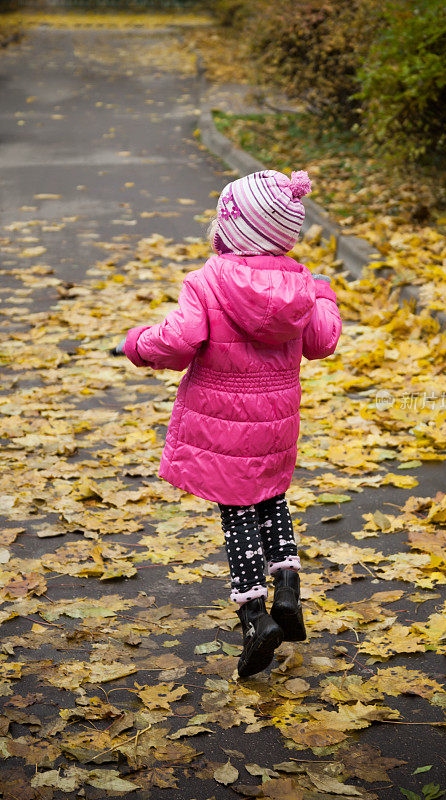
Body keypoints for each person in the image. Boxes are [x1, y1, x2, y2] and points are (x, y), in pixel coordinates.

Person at [114, 169, 342, 678]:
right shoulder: (301, 284)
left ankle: (255, 619)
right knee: (272, 498)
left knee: (238, 515)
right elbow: (323, 341)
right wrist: (324, 292)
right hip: (276, 420)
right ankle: (287, 590)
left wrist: (136, 343)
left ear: (234, 228)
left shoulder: (207, 280)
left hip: (222, 423)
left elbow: (177, 342)